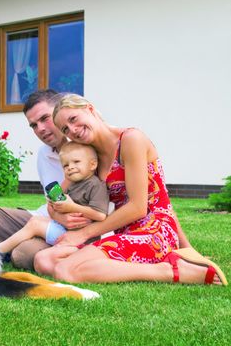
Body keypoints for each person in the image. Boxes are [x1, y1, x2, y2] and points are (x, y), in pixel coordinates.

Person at [33, 93, 227, 285]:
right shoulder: (90, 155)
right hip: (122, 232)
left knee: (65, 270)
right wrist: (58, 214)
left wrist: (84, 234)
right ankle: (105, 264)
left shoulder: (131, 139)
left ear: (89, 109)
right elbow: (55, 197)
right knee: (43, 260)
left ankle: (169, 271)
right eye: (65, 129)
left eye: (74, 119)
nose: (73, 130)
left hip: (153, 230)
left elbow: (140, 207)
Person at [0, 90, 92, 270]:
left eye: (45, 118)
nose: (40, 129)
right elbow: (52, 199)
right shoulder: (44, 154)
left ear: (60, 112)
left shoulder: (88, 150)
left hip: (76, 229)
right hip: (43, 218)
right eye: (34, 125)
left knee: (22, 255)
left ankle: (7, 247)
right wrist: (57, 214)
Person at [0, 142, 109, 256]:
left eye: (76, 162)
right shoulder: (73, 183)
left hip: (79, 239)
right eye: (65, 165)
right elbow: (52, 205)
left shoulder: (96, 185)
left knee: (35, 224)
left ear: (92, 165)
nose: (70, 167)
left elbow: (100, 215)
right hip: (64, 229)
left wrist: (72, 207)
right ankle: (5, 249)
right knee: (35, 221)